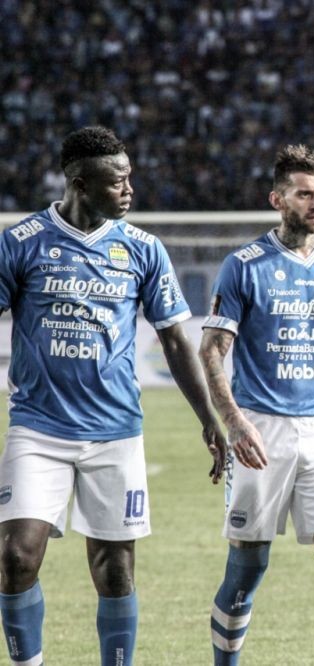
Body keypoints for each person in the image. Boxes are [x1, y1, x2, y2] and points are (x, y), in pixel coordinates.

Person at [0, 125, 226, 666]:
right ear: (80, 183)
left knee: (116, 570)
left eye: (129, 178)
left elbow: (175, 339)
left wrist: (209, 418)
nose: (129, 190)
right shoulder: (21, 242)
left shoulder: (143, 249)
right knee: (15, 556)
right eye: (116, 181)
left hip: (115, 433)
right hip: (37, 427)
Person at [199, 144, 314, 665]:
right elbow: (211, 349)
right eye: (305, 194)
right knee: (248, 568)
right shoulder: (244, 265)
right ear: (278, 199)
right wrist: (233, 424)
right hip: (261, 430)